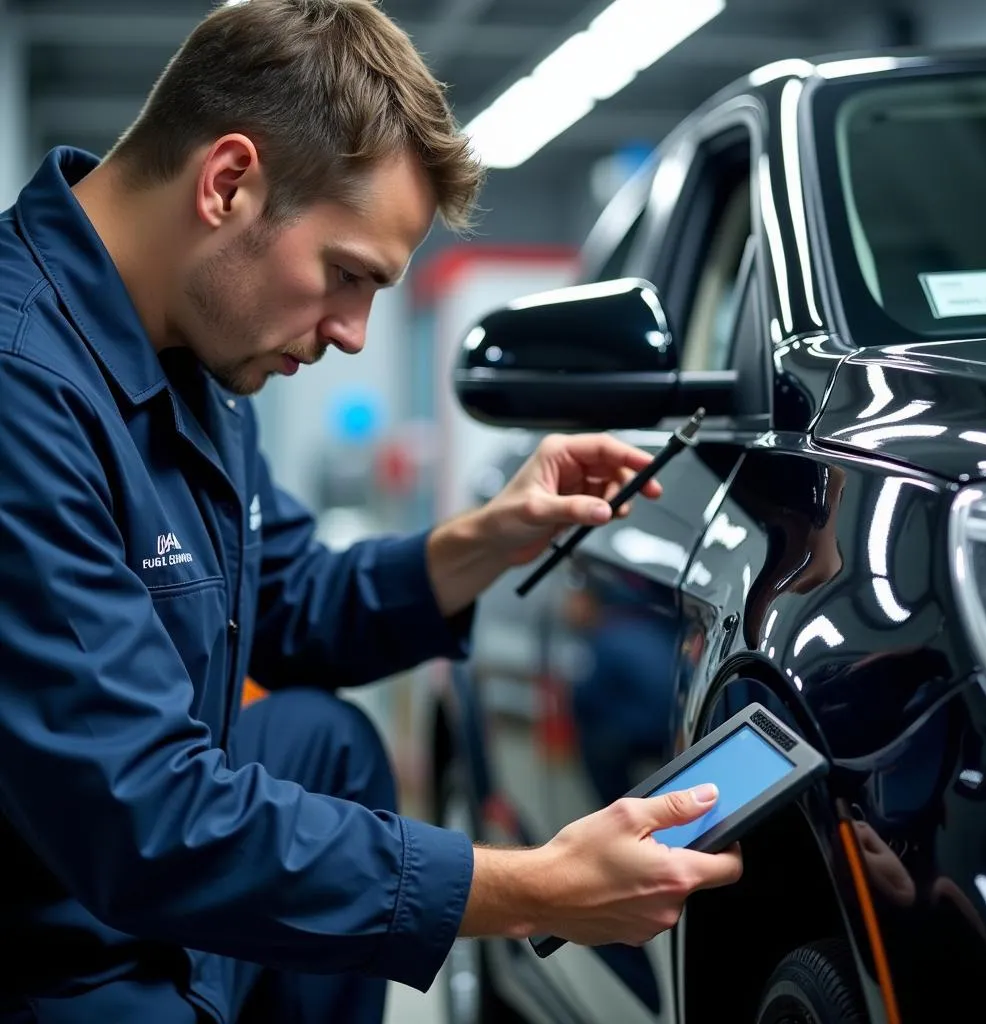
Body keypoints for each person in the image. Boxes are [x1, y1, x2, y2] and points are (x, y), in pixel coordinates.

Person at [0, 2, 743, 1021]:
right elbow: (144, 817)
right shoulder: (20, 388)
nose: (353, 333)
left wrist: (496, 533)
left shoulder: (194, 358)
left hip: (128, 891)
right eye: (346, 276)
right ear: (226, 183)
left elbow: (290, 599)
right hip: (53, 949)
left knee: (326, 745)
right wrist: (528, 885)